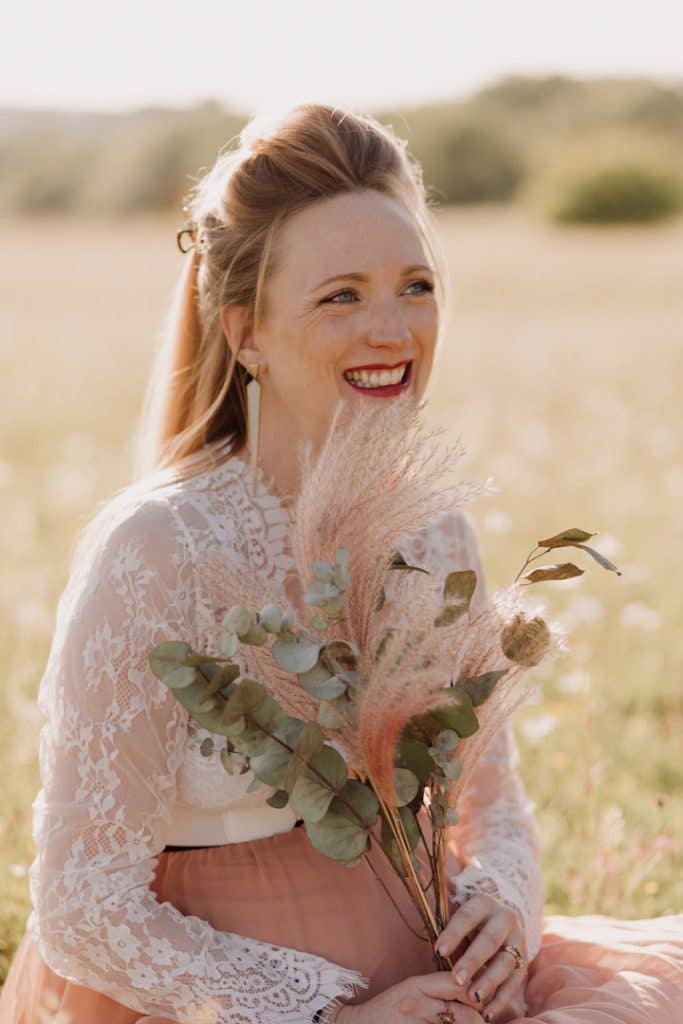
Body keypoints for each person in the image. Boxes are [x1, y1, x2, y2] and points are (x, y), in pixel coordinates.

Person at [0, 104, 681, 1024]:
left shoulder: (433, 531)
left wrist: (505, 913)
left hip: (444, 995)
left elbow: (495, 808)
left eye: (416, 285)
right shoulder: (158, 549)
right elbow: (81, 904)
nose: (394, 330)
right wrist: (324, 1017)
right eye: (341, 295)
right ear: (245, 334)